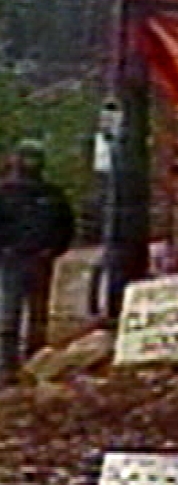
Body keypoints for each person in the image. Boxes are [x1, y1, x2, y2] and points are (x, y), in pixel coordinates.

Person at [0, 141, 75, 382]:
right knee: (10, 311)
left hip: (41, 258)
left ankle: (36, 358)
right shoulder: (5, 192)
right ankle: (7, 364)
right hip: (13, 259)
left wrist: (54, 249)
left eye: (34, 158)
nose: (30, 163)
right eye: (26, 158)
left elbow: (66, 224)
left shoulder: (51, 193)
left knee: (38, 312)